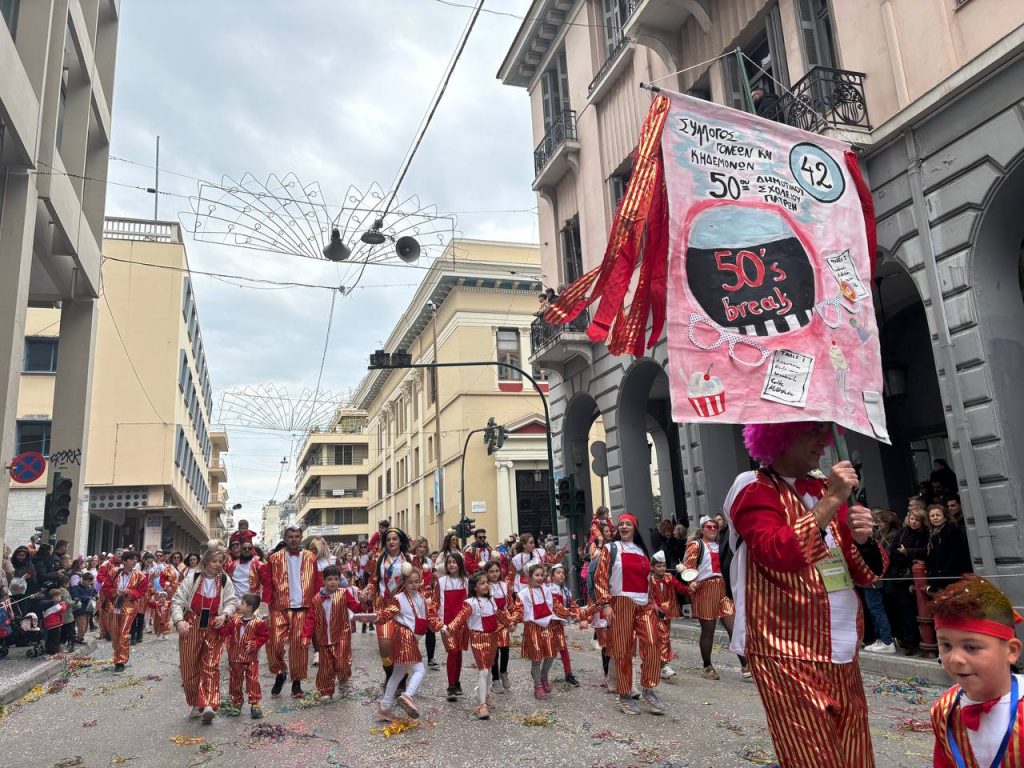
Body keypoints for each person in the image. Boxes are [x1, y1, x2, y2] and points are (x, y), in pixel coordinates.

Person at [724, 422, 887, 768]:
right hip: (787, 651)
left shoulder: (825, 488)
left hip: (843, 649)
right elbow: (778, 553)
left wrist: (865, 540)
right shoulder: (753, 489)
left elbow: (868, 572)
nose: (822, 441)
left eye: (822, 432)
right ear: (778, 436)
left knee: (857, 756)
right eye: (810, 432)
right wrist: (830, 502)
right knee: (813, 759)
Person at [928, 576, 1023, 767]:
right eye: (946, 645)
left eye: (971, 647)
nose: (955, 658)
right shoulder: (943, 710)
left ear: (1011, 651)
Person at [592, 513, 665, 716]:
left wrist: (653, 601)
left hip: (644, 604)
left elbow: (648, 579)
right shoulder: (610, 548)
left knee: (652, 643)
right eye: (621, 524)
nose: (624, 527)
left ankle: (648, 688)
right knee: (623, 650)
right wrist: (606, 604)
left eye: (628, 524)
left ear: (635, 528)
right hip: (621, 602)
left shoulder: (642, 551)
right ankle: (624, 693)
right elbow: (600, 577)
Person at [171, 540, 240, 723]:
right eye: (214, 561)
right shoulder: (193, 578)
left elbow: (232, 601)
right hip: (192, 623)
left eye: (220, 562)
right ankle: (196, 702)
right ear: (206, 561)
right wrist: (179, 621)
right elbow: (177, 601)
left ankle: (208, 703)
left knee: (211, 665)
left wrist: (224, 614)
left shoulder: (225, 580)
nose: (218, 565)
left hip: (214, 626)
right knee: (189, 666)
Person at [443, 570, 515, 720]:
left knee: (488, 668)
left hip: (492, 637)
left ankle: (486, 694)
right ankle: (481, 705)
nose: (486, 585)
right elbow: (460, 617)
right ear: (474, 587)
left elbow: (499, 614)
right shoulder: (471, 603)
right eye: (482, 583)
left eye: (486, 583)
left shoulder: (491, 600)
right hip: (478, 639)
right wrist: (450, 629)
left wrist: (509, 624)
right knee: (483, 670)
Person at [260, 524, 322, 699]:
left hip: (303, 608)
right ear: (285, 539)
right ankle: (280, 672)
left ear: (301, 538)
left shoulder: (311, 557)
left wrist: (319, 605)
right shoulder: (274, 558)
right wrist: (265, 608)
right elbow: (268, 585)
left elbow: (317, 583)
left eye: (297, 536)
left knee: (299, 646)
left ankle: (297, 683)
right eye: (290, 536)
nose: (294, 539)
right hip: (279, 607)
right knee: (274, 644)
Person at [683, 516, 749, 679]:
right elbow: (688, 567)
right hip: (705, 588)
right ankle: (707, 666)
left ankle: (746, 664)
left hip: (722, 588)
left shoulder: (721, 545)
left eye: (715, 527)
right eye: (709, 527)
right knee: (708, 632)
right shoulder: (696, 544)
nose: (712, 529)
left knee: (734, 628)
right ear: (702, 529)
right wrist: (691, 581)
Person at [371, 566, 438, 721]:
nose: (414, 585)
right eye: (410, 583)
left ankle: (385, 707)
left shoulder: (421, 598)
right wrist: (376, 617)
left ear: (420, 581)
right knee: (419, 670)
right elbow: (388, 612)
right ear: (404, 583)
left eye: (417, 582)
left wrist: (444, 627)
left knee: (398, 672)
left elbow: (429, 618)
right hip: (404, 635)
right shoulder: (399, 598)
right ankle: (407, 695)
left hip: (411, 637)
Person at [510, 562, 573, 701]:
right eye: (536, 575)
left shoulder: (547, 590)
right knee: (537, 658)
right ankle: (537, 685)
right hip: (532, 628)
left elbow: (556, 607)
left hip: (547, 626)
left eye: (541, 575)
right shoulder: (523, 594)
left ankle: (544, 677)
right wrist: (512, 622)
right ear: (529, 576)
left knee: (551, 654)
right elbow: (518, 611)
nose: (540, 578)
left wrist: (570, 613)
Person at [302, 565, 364, 701]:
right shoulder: (316, 599)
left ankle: (344, 683)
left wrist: (365, 601)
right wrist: (306, 636)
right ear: (324, 581)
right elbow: (310, 619)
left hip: (341, 636)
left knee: (342, 663)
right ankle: (326, 690)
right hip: (323, 639)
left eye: (336, 579)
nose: (333, 582)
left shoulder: (343, 593)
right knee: (325, 667)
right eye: (330, 579)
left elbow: (355, 607)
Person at [363, 526, 413, 691]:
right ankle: (390, 672)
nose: (391, 542)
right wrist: (367, 591)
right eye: (388, 539)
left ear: (400, 541)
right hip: (383, 605)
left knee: (402, 645)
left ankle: (402, 680)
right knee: (384, 646)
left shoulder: (408, 559)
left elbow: (417, 582)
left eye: (394, 539)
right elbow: (373, 581)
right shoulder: (379, 558)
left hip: (402, 607)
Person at [216, 593, 269, 719]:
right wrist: (217, 626)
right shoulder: (235, 620)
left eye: (242, 603)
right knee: (235, 680)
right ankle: (236, 701)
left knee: (253, 681)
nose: (239, 605)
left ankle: (255, 703)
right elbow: (225, 631)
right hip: (235, 658)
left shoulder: (259, 622)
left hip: (251, 658)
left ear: (250, 607)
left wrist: (255, 644)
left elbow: (264, 636)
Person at [888, 507, 928, 655]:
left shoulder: (924, 534)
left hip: (916, 576)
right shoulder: (902, 532)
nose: (914, 522)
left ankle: (919, 640)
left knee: (917, 610)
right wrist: (905, 555)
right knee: (904, 611)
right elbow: (893, 551)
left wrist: (908, 552)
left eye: (917, 520)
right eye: (912, 519)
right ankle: (908, 640)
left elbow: (924, 552)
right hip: (901, 576)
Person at [101, 550, 148, 673]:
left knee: (123, 633)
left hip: (129, 606)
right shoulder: (113, 572)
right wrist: (115, 592)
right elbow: (105, 587)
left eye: (136, 559)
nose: (135, 561)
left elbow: (142, 591)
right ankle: (118, 656)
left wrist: (130, 592)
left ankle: (120, 661)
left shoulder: (140, 575)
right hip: (114, 605)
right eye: (132, 559)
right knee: (115, 633)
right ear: (125, 561)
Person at [861, 509, 898, 655]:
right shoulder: (877, 536)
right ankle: (880, 638)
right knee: (873, 609)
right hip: (870, 578)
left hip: (875, 578)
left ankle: (886, 640)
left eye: (880, 522)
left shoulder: (887, 537)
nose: (877, 525)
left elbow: (882, 558)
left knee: (877, 609)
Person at [436, 551, 469, 701]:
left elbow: (469, 603)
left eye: (454, 562)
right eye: (449, 562)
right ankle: (450, 686)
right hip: (447, 625)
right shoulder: (441, 582)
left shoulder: (466, 581)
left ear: (460, 564)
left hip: (462, 624)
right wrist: (440, 623)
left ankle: (457, 682)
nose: (451, 565)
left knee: (459, 652)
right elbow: (437, 603)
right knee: (453, 651)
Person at [648, 550, 687, 680]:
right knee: (663, 638)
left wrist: (690, 588)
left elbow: (680, 588)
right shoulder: (650, 580)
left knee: (664, 638)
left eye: (664, 565)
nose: (662, 568)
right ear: (652, 567)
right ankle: (664, 665)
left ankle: (657, 665)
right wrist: (655, 607)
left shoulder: (669, 577)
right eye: (659, 566)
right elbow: (648, 597)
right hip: (655, 614)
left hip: (668, 614)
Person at [927, 503, 974, 593]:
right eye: (932, 516)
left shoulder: (953, 531)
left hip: (952, 576)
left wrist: (943, 575)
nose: (935, 518)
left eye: (938, 515)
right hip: (940, 577)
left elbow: (956, 555)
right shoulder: (932, 534)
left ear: (945, 517)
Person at [547, 562, 581, 687]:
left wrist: (577, 614)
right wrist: (569, 613)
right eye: (558, 573)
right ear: (552, 575)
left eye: (563, 573)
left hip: (558, 624)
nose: (561, 575)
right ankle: (542, 677)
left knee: (563, 649)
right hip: (548, 623)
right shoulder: (549, 590)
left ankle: (568, 674)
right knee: (548, 650)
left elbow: (572, 604)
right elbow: (557, 607)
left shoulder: (566, 591)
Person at [485, 559, 513, 694]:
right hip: (492, 622)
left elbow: (510, 604)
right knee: (494, 652)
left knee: (505, 649)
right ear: (487, 573)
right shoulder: (485, 587)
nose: (494, 574)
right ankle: (495, 679)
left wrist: (512, 619)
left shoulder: (504, 585)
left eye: (497, 571)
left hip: (504, 622)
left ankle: (504, 672)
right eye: (491, 572)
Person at [410, 537, 439, 669]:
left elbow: (433, 578)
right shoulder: (409, 560)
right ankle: (410, 655)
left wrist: (434, 577)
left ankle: (431, 657)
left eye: (424, 547)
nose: (422, 549)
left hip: (427, 597)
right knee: (413, 627)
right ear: (415, 547)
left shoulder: (428, 561)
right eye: (420, 546)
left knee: (430, 628)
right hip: (414, 596)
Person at [38, 588, 68, 655]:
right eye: (60, 596)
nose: (60, 598)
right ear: (55, 597)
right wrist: (63, 604)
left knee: (50, 638)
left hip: (49, 624)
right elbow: (62, 610)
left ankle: (49, 650)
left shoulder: (47, 604)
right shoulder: (54, 604)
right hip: (55, 624)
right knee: (55, 639)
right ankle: (54, 651)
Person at [71, 571, 98, 643]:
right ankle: (79, 638)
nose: (89, 583)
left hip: (88, 609)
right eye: (88, 581)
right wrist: (87, 597)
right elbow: (75, 596)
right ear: (83, 580)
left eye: (90, 582)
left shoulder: (91, 587)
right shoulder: (76, 587)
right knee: (81, 625)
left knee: (86, 625)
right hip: (79, 609)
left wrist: (94, 597)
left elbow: (94, 594)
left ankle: (81, 637)